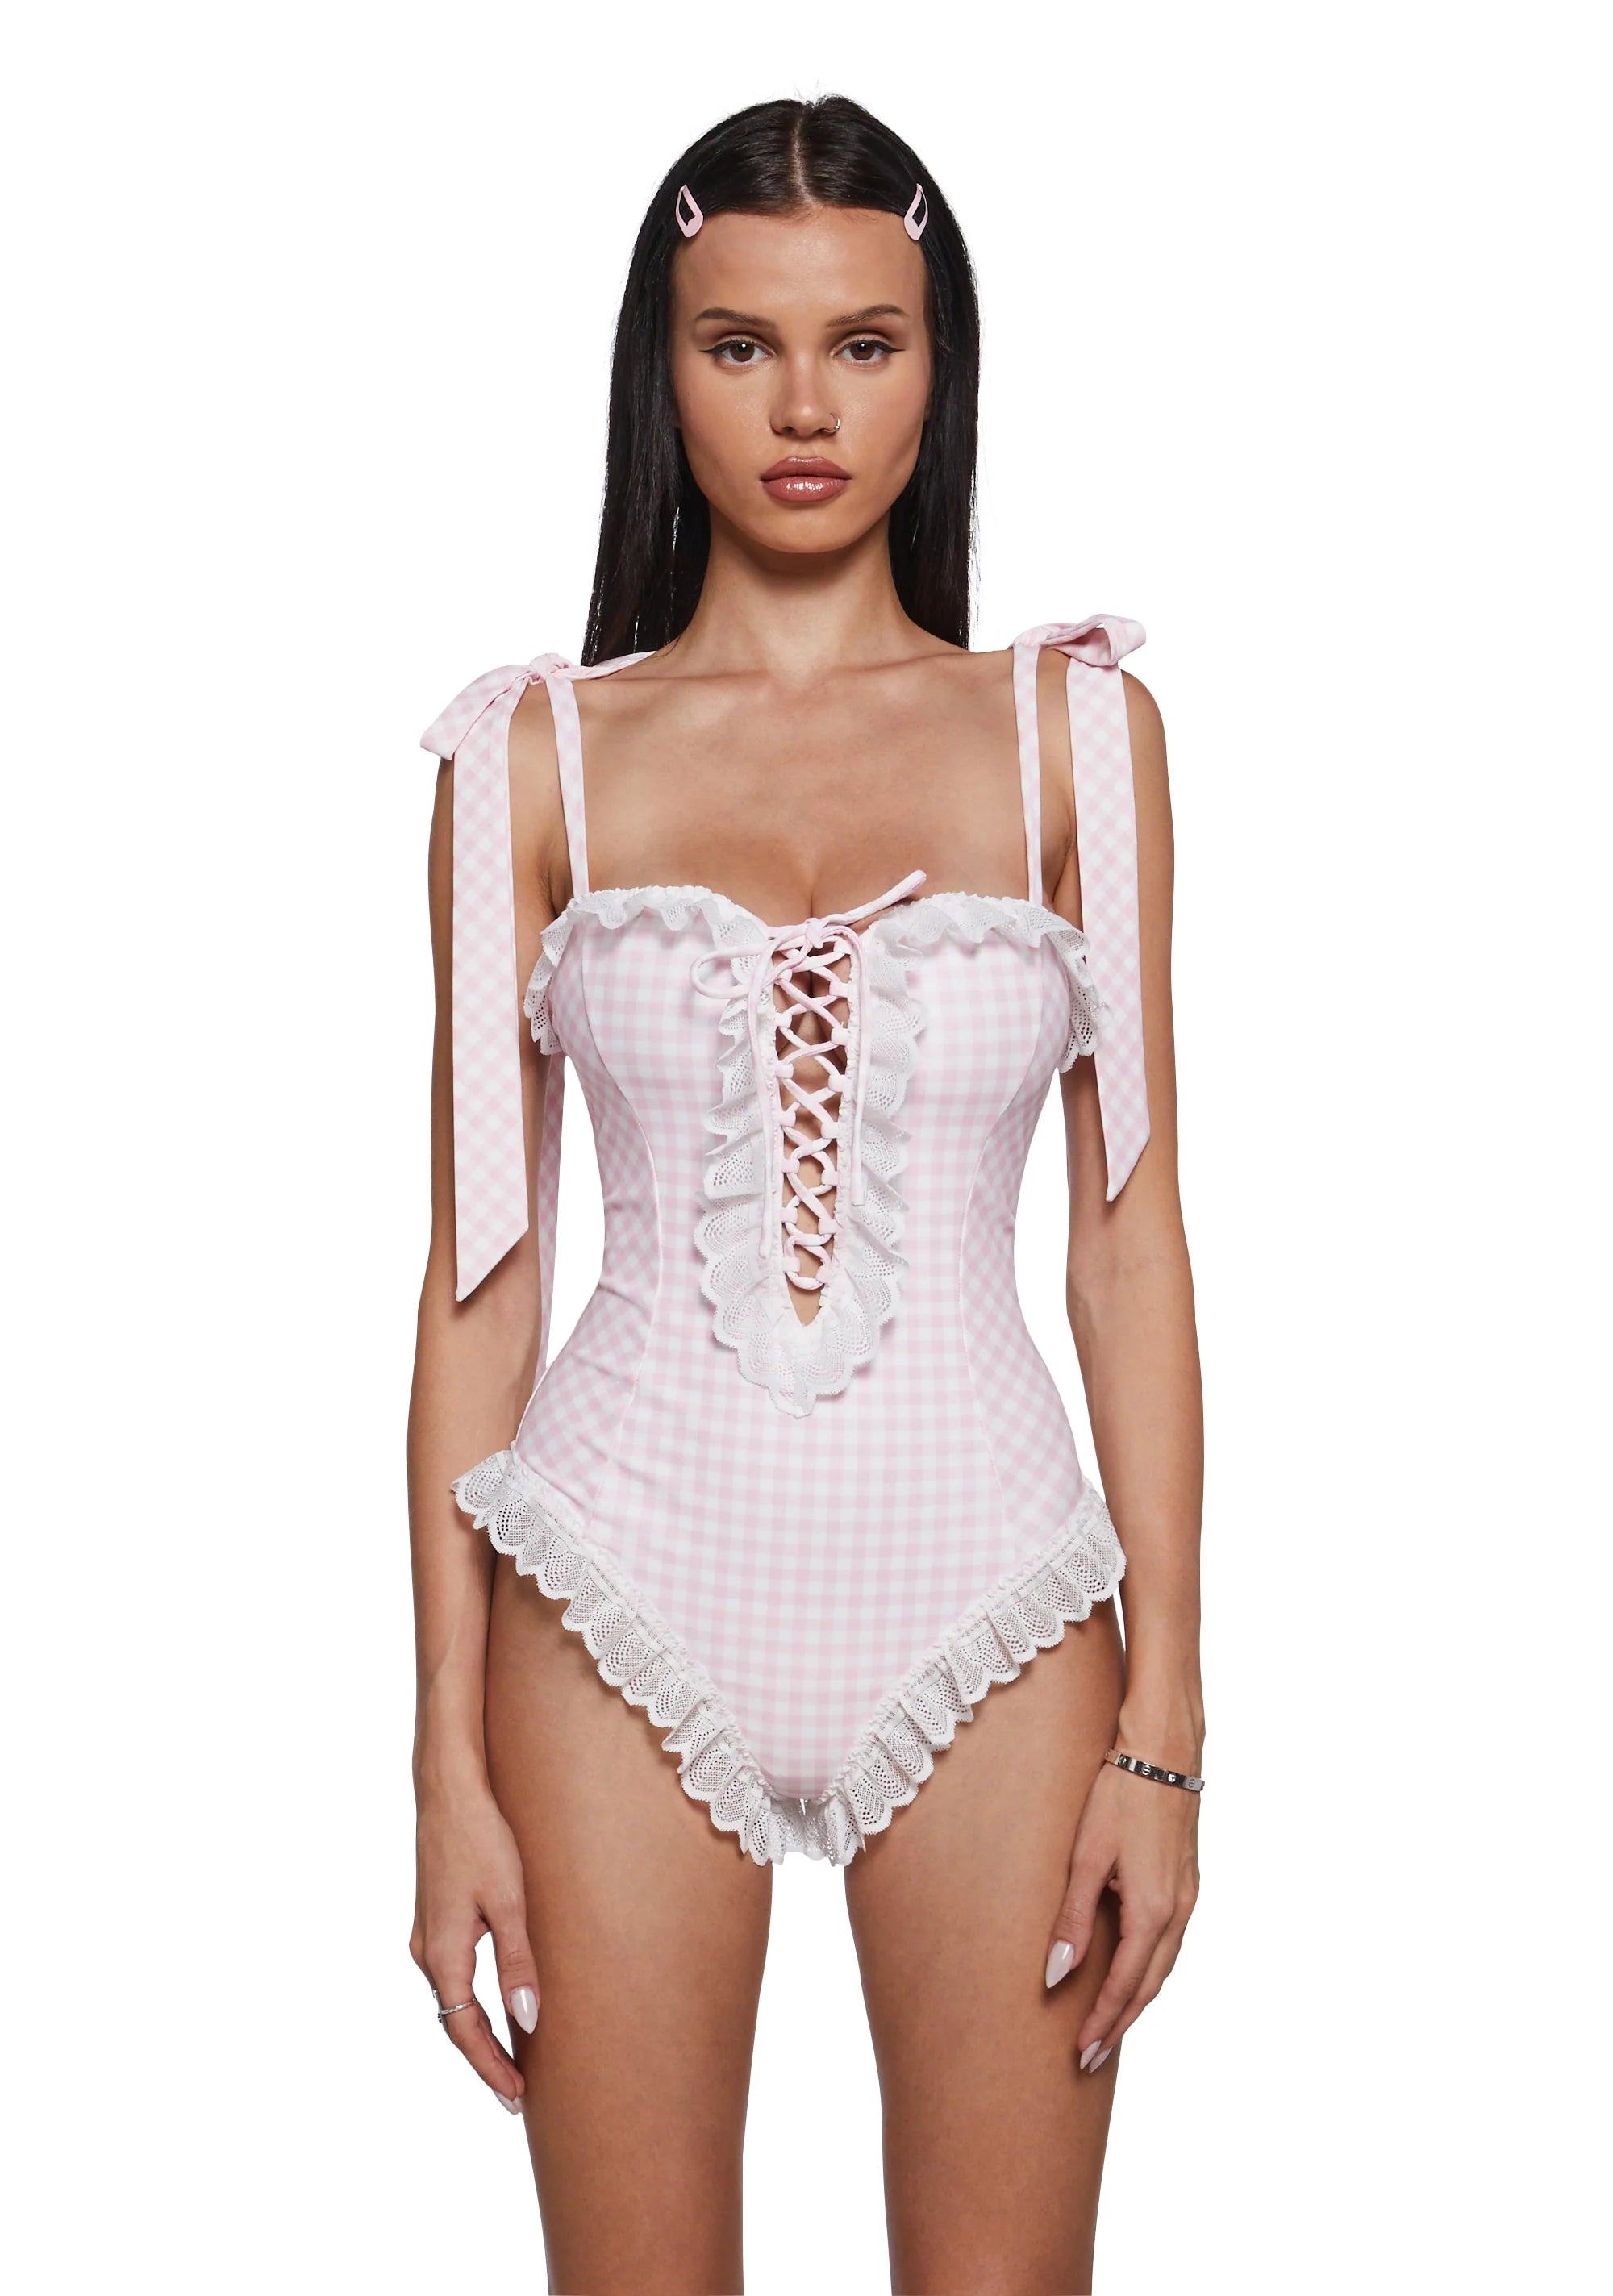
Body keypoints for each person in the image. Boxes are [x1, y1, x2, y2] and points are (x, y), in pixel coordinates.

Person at [406, 92, 1204, 2296]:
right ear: (660, 366)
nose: (803, 409)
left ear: (940, 366)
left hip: (995, 1586)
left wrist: (1168, 1727)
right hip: (612, 1583)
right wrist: (440, 1761)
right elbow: (478, 1287)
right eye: (739, 343)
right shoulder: (523, 762)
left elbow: (1131, 1243)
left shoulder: (1076, 739)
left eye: (865, 343)